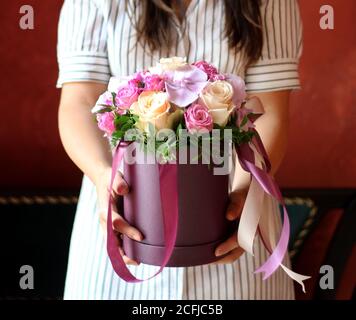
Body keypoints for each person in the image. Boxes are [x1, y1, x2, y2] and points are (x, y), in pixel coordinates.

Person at [57, 0, 303, 300]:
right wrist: (101, 175)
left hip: (236, 233)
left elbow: (269, 111)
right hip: (124, 222)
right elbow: (80, 102)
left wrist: (245, 193)